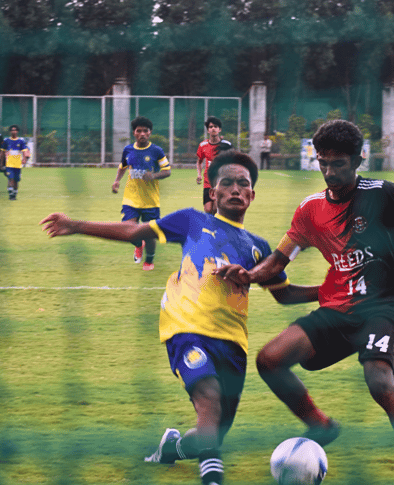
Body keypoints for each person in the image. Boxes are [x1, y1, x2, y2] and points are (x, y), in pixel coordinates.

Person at [41, 151, 318, 485]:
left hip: (233, 343)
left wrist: (333, 289)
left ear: (251, 195)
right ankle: (212, 479)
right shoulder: (192, 221)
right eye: (226, 183)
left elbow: (284, 294)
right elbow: (136, 232)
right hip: (185, 327)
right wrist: (76, 225)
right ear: (212, 193)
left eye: (242, 184)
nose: (234, 189)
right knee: (209, 399)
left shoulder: (258, 247)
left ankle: (171, 448)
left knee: (212, 430)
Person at [214, 120, 394, 485]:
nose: (329, 171)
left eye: (338, 163)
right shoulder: (310, 210)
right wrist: (249, 275)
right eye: (322, 162)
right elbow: (277, 261)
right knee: (270, 360)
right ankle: (321, 426)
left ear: (358, 160)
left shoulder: (382, 195)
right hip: (338, 307)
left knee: (379, 384)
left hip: (382, 308)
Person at [111, 116, 171, 271]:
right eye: (139, 131)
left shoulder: (156, 151)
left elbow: (167, 171)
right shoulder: (128, 150)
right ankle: (138, 245)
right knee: (129, 231)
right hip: (131, 197)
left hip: (150, 200)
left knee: (150, 234)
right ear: (134, 133)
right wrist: (117, 181)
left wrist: (154, 176)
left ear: (150, 133)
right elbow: (123, 166)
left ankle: (149, 260)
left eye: (145, 131)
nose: (142, 133)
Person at [196, 116, 233, 214]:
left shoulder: (226, 145)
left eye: (215, 126)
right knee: (208, 210)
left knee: (216, 209)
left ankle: (216, 228)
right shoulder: (203, 145)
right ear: (208, 130)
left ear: (219, 129)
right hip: (208, 181)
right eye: (210, 126)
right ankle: (210, 228)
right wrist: (199, 174)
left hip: (221, 181)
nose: (213, 128)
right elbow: (199, 161)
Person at [0, 125, 29, 201]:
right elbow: (2, 152)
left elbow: (24, 151)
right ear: (10, 131)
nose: (14, 131)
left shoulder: (21, 141)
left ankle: (14, 194)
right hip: (9, 164)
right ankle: (10, 195)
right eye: (12, 130)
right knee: (10, 179)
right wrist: (1, 163)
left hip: (18, 165)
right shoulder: (6, 141)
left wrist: (24, 159)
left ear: (17, 131)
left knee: (16, 180)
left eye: (15, 130)